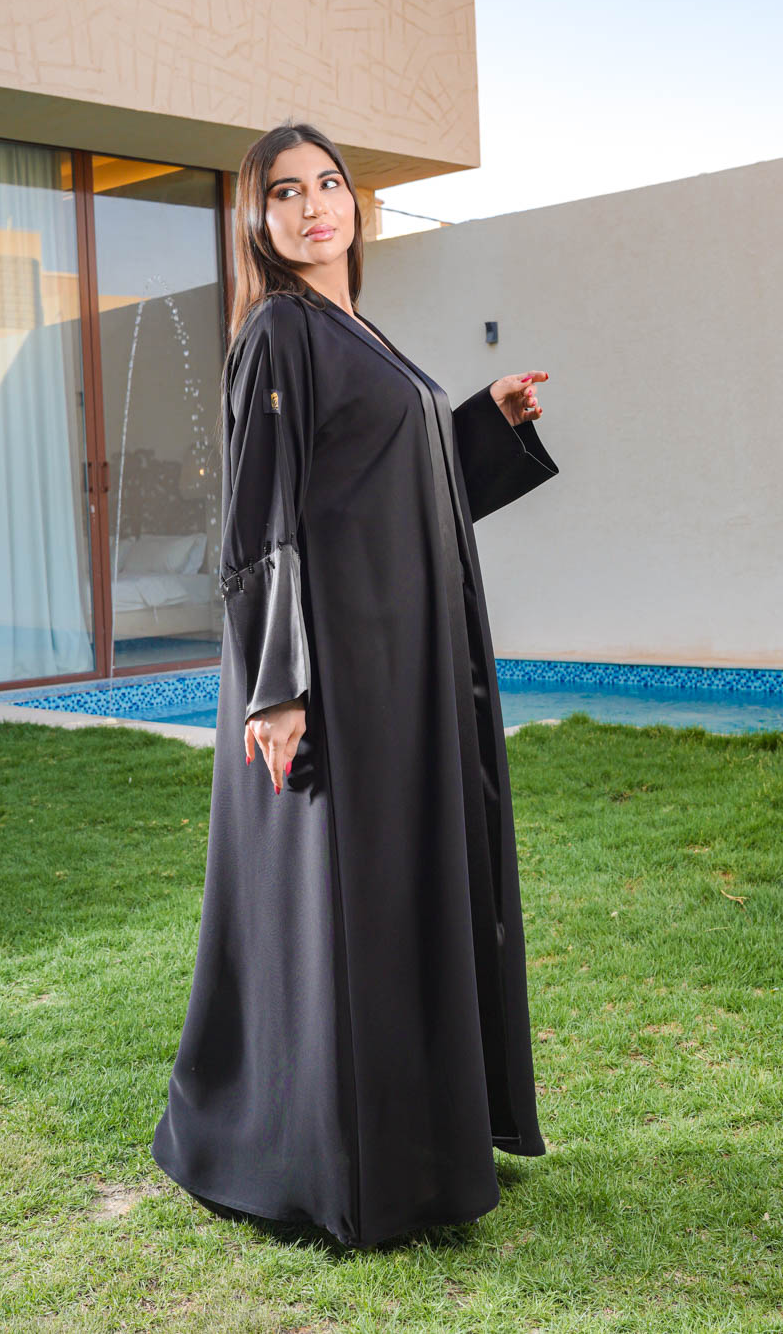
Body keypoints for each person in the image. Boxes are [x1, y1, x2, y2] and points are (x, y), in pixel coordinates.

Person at [151, 120, 561, 1250]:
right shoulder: (279, 330)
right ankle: (328, 1160)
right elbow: (261, 514)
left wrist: (480, 423)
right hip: (339, 671)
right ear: (258, 218)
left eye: (329, 184)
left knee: (403, 888)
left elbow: (387, 489)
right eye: (286, 192)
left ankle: (421, 1141)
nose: (314, 205)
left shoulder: (353, 328)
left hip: (402, 663)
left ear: (353, 204)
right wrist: (279, 687)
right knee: (352, 899)